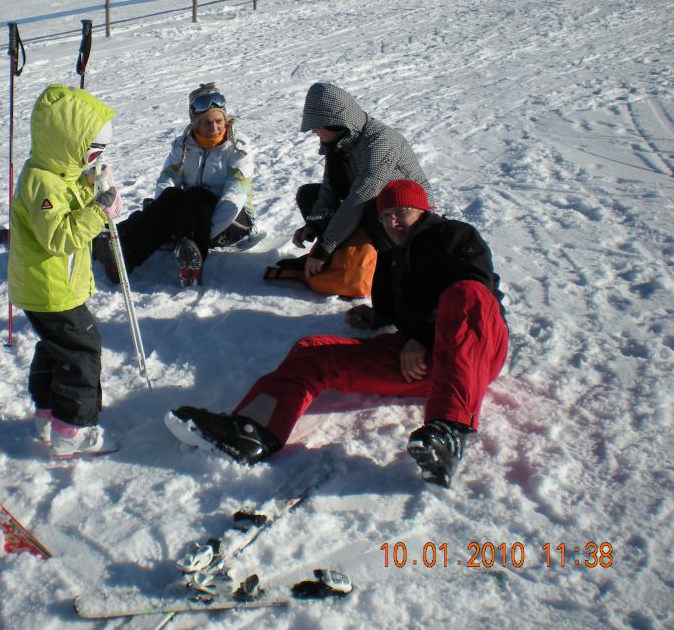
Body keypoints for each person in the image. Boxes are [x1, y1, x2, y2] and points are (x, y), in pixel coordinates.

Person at [165, 179, 508, 488]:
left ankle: (447, 433)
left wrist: (422, 336)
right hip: (420, 364)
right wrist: (374, 316)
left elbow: (477, 294)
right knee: (313, 350)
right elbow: (394, 313)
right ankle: (252, 432)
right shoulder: (391, 256)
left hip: (475, 354)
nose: (392, 222)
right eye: (386, 216)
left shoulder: (455, 236)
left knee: (466, 295)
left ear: (422, 210)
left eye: (401, 212)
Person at [8, 84, 122, 459]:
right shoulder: (42, 182)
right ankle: (74, 429)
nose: (96, 158)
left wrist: (89, 185)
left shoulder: (53, 171)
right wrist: (98, 211)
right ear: (69, 143)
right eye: (93, 151)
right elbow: (59, 235)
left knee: (57, 349)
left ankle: (48, 414)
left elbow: (67, 198)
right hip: (51, 290)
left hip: (49, 287)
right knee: (81, 351)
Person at [95, 83, 255, 288]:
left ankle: (192, 258)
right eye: (207, 122)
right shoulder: (184, 145)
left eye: (218, 121)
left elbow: (235, 196)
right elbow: (167, 180)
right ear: (196, 122)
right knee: (171, 195)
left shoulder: (238, 149)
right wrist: (166, 215)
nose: (214, 128)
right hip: (192, 216)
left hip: (232, 220)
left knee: (196, 194)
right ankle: (123, 259)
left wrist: (201, 231)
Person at [286, 82, 430, 284]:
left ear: (335, 122)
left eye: (317, 126)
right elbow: (329, 188)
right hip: (369, 206)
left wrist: (325, 247)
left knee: (372, 206)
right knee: (308, 194)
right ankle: (347, 255)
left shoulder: (381, 142)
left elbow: (359, 199)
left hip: (405, 220)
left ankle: (387, 265)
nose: (314, 132)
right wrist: (314, 224)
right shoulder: (339, 142)